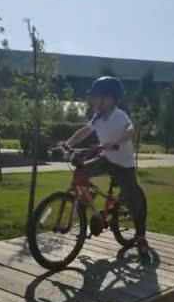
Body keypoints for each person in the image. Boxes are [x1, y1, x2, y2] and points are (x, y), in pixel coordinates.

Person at [64, 76, 150, 261]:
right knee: (81, 170)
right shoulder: (98, 117)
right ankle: (88, 199)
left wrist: (116, 143)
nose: (92, 100)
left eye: (96, 97)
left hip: (123, 164)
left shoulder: (119, 115)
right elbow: (84, 131)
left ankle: (141, 236)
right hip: (106, 159)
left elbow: (130, 129)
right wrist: (69, 143)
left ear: (109, 99)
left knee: (133, 197)